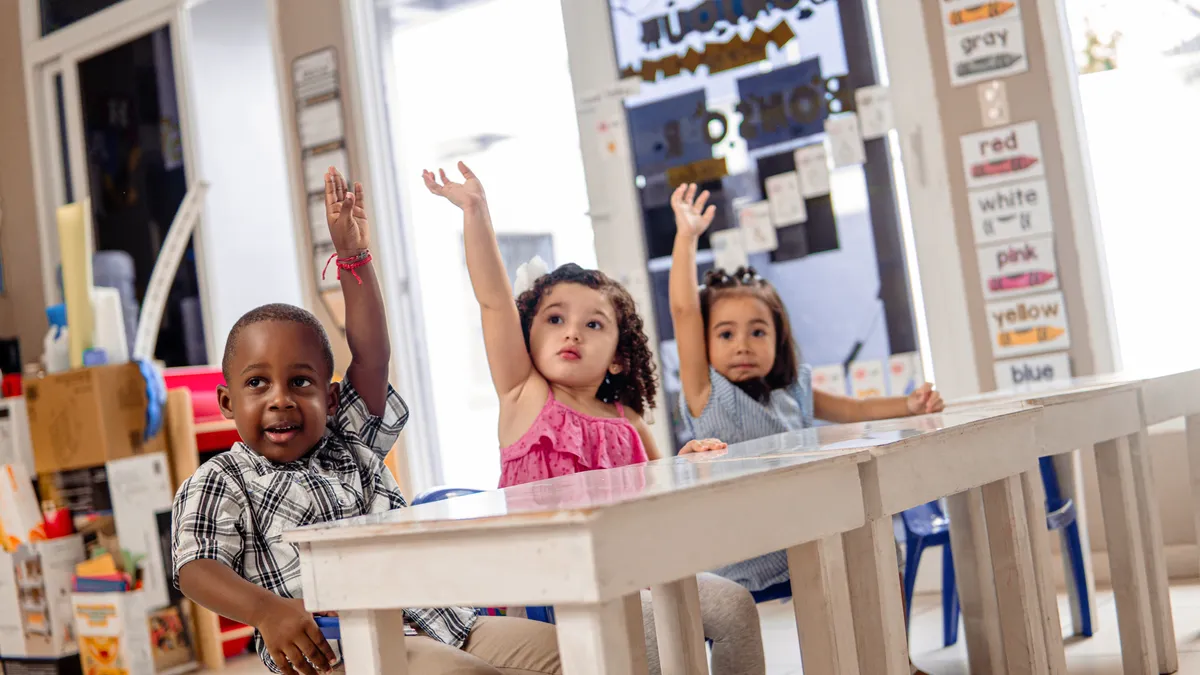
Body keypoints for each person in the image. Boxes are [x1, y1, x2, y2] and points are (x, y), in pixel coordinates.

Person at [172, 168, 562, 675]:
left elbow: (371, 357)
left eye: (301, 382)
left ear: (332, 398)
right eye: (257, 384)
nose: (281, 400)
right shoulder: (222, 480)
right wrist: (266, 611)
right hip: (338, 653)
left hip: (446, 622)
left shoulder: (349, 441)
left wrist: (354, 258)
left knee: (571, 652)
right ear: (226, 402)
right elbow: (194, 567)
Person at [424, 163, 766, 675]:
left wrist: (686, 463)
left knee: (734, 605)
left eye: (594, 324)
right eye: (555, 319)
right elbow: (493, 301)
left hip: (634, 574)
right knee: (656, 625)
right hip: (552, 585)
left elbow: (663, 498)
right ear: (528, 333)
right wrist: (476, 211)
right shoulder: (526, 395)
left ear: (618, 357)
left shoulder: (628, 421)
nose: (572, 333)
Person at [668, 182, 944, 673]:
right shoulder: (705, 393)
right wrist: (686, 236)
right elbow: (684, 309)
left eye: (758, 332)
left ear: (779, 338)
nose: (743, 345)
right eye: (725, 334)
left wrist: (908, 403)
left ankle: (892, 662)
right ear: (705, 344)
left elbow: (855, 411)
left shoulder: (791, 390)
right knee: (849, 549)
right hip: (740, 550)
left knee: (880, 546)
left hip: (800, 532)